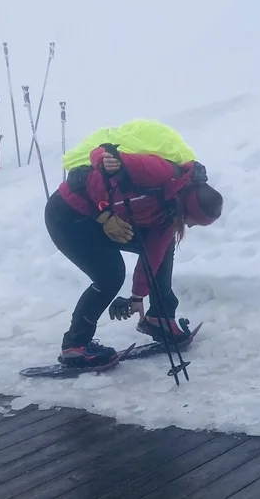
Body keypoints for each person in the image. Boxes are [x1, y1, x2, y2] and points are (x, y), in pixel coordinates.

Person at [46, 144, 224, 368]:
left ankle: (159, 318)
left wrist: (137, 296)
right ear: (188, 207)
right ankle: (75, 346)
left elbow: (153, 252)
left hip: (109, 219)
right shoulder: (161, 173)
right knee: (110, 276)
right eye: (193, 220)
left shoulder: (170, 213)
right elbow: (102, 157)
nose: (191, 225)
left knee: (164, 245)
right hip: (70, 214)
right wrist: (105, 214)